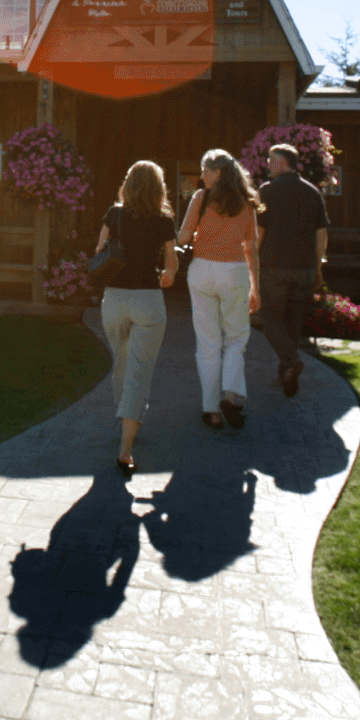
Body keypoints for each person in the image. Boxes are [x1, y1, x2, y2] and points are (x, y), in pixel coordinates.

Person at [95, 161, 180, 478]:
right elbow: (171, 263)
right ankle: (126, 447)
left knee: (121, 362)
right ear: (159, 188)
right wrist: (168, 275)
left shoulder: (113, 215)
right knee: (139, 372)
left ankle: (124, 419)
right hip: (148, 300)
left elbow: (99, 250)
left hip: (114, 299)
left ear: (128, 185)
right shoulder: (164, 221)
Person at [178, 148, 262, 430]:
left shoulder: (201, 199)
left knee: (207, 343)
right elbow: (251, 247)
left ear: (216, 173)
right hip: (234, 272)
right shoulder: (247, 203)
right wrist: (256, 287)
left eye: (204, 170)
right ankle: (230, 395)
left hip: (201, 271)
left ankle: (211, 410)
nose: (201, 176)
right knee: (236, 338)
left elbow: (183, 236)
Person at [256, 143, 331, 398]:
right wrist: (318, 266)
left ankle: (291, 361)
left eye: (270, 159)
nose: (267, 164)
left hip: (274, 266)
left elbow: (260, 232)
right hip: (305, 268)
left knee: (271, 321)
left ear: (282, 161)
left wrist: (251, 261)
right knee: (292, 322)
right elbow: (321, 233)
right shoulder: (312, 193)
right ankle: (285, 374)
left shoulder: (267, 191)